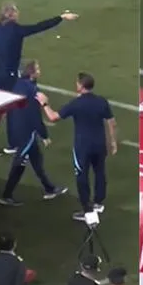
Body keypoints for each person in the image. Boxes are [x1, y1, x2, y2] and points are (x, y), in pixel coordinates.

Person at [0, 0, 79, 157]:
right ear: (12, 14)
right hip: (10, 75)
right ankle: (12, 144)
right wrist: (60, 17)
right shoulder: (16, 30)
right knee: (12, 109)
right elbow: (39, 27)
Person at [36, 72, 118, 222]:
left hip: (83, 147)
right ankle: (99, 202)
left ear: (80, 86)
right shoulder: (101, 101)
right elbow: (111, 122)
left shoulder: (76, 104)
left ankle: (87, 210)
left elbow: (53, 117)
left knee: (82, 177)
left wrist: (44, 104)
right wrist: (112, 142)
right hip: (99, 144)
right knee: (100, 172)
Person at [0, 60, 68, 206]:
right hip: (26, 132)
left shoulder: (19, 84)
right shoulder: (33, 90)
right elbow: (34, 115)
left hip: (18, 127)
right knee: (19, 163)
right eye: (38, 69)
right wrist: (44, 135)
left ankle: (50, 188)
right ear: (32, 73)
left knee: (36, 159)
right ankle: (6, 195)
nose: (40, 71)